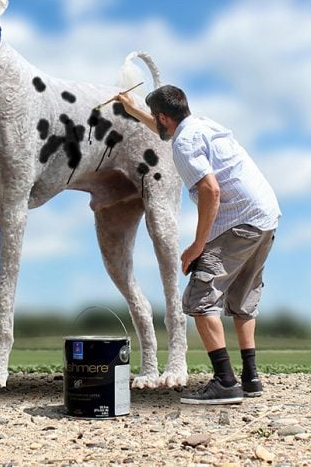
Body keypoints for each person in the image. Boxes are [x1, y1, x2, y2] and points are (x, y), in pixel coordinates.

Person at [116, 85, 280, 405]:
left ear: (164, 116)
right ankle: (250, 377)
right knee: (244, 296)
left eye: (153, 116)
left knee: (199, 298)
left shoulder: (185, 144)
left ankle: (225, 382)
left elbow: (210, 191)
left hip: (238, 221)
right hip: (265, 216)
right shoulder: (201, 125)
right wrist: (132, 109)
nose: (154, 121)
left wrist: (197, 246)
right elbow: (168, 133)